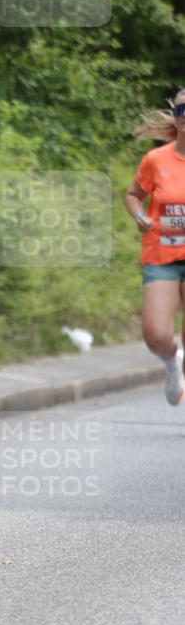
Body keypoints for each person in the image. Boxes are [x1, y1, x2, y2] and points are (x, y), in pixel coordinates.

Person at [124, 87, 185, 405]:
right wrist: (139, 216)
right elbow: (133, 195)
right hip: (161, 255)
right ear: (175, 117)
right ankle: (172, 363)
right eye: (182, 110)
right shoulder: (156, 159)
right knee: (156, 335)